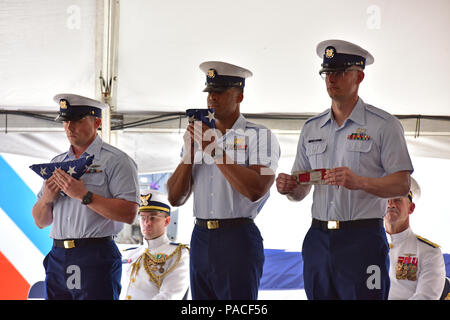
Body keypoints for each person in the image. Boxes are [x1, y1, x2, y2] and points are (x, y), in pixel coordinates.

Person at [276, 39, 414, 300]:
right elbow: (301, 190)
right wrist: (290, 188)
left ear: (359, 76)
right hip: (317, 237)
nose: (331, 79)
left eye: (339, 73)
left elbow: (402, 184)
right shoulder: (311, 128)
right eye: (327, 73)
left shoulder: (384, 125)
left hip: (362, 238)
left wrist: (360, 182)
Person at [167, 61, 280, 300]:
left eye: (220, 92)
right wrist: (189, 154)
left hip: (237, 236)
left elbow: (256, 189)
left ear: (239, 96)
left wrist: (214, 151)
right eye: (209, 92)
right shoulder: (198, 135)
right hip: (200, 235)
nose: (212, 98)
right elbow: (175, 198)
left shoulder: (260, 136)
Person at [32, 94, 140, 300]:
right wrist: (46, 199)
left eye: (78, 120)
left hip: (96, 254)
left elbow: (129, 214)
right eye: (66, 121)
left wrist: (84, 195)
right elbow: (40, 221)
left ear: (97, 122)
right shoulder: (57, 162)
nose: (69, 127)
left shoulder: (117, 161)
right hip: (58, 255)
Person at [120, 190, 190, 300]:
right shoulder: (129, 253)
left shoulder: (178, 254)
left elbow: (169, 296)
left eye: (152, 218)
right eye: (143, 217)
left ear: (166, 221)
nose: (146, 223)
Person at [385, 177, 446, 300]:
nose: (391, 204)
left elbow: (426, 297)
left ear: (411, 208)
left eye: (397, 200)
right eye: (386, 200)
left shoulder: (429, 252)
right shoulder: (366, 246)